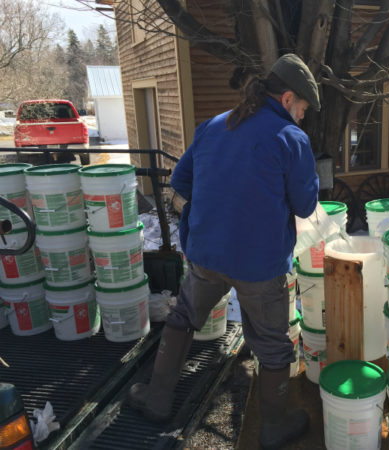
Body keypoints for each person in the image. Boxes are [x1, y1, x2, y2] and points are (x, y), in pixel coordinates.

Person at [128, 53, 320, 449]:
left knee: (183, 317)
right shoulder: (291, 138)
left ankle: (158, 398)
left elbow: (180, 182)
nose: (302, 117)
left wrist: (214, 212)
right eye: (302, 108)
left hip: (206, 256)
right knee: (272, 345)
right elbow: (304, 206)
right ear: (287, 99)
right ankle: (274, 426)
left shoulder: (213, 126)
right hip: (259, 267)